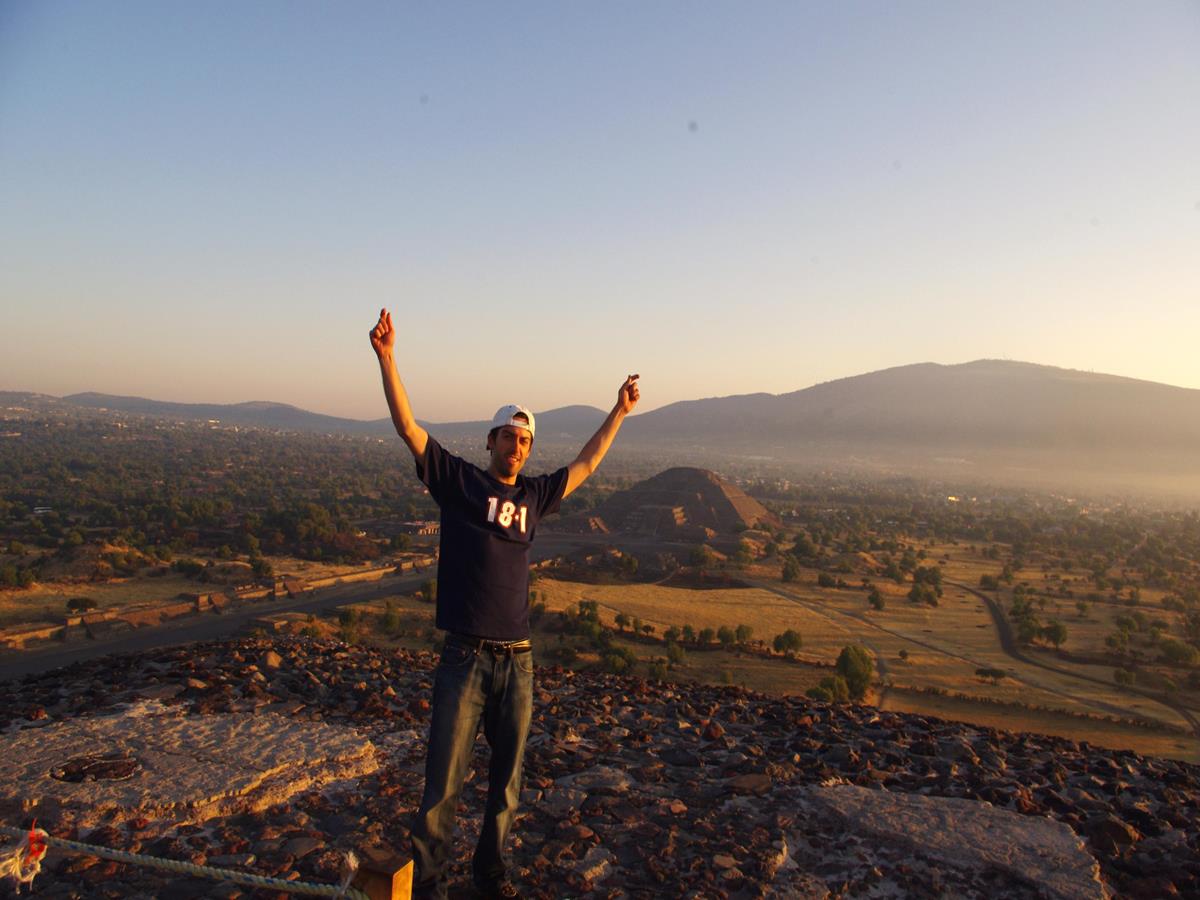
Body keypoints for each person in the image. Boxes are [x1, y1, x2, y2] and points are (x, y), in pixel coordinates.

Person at [369, 308, 639, 899]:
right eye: (508, 438)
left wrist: (618, 410)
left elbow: (588, 463)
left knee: (507, 784)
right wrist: (388, 360)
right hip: (465, 658)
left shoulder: (537, 497)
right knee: (442, 783)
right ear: (489, 441)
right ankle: (430, 886)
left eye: (525, 440)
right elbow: (409, 428)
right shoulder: (460, 482)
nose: (516, 447)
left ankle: (489, 878)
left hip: (517, 661)